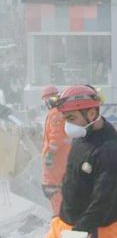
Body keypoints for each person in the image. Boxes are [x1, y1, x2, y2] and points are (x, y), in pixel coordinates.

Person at [26, 86, 117, 238]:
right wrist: (60, 216)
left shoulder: (111, 148)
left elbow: (104, 200)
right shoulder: (82, 137)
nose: (67, 124)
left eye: (71, 118)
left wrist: (79, 233)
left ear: (91, 113)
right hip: (63, 224)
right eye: (66, 118)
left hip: (94, 231)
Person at [39, 84, 71, 216]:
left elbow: (55, 137)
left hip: (57, 160)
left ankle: (59, 217)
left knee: (53, 188)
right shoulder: (58, 113)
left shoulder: (56, 114)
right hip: (60, 159)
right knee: (55, 188)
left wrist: (50, 155)